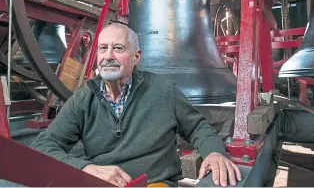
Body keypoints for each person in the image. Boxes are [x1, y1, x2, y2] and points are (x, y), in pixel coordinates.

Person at [30, 23, 241, 187]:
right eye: (103, 49)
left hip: (154, 184)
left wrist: (214, 152)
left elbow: (198, 128)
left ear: (136, 57)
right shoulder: (83, 99)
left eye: (118, 48)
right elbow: (43, 146)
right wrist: (86, 168)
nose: (108, 56)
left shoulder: (164, 90)